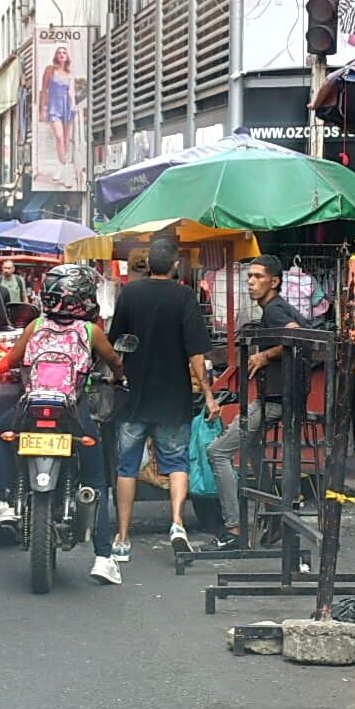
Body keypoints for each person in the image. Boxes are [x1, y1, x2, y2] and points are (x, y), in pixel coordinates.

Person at [0, 264, 125, 585]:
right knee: (96, 480)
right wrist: (120, 378)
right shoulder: (92, 333)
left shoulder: (35, 325)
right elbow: (115, 362)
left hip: (30, 411)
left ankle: (6, 500)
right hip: (73, 413)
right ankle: (104, 557)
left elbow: (10, 361)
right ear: (85, 298)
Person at [108, 238, 219, 559]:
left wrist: (117, 376)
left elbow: (117, 344)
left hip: (134, 397)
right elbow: (197, 354)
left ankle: (123, 538)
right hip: (173, 399)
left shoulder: (130, 293)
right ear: (174, 265)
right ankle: (177, 522)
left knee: (127, 467)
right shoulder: (184, 296)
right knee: (177, 463)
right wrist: (209, 396)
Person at [206, 256, 304, 549]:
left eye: (258, 277)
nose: (251, 282)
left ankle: (234, 528)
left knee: (218, 452)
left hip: (276, 400)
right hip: (281, 397)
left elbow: (297, 336)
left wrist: (265, 355)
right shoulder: (275, 308)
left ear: (274, 281)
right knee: (251, 451)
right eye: (249, 276)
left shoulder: (275, 309)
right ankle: (274, 516)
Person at [39, 45, 78, 186]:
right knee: (60, 138)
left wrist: (73, 105)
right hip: (54, 106)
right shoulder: (50, 70)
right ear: (56, 56)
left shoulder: (69, 73)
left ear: (67, 57)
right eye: (59, 53)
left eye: (64, 53)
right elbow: (44, 90)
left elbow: (71, 91)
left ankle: (60, 167)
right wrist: (43, 108)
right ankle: (65, 168)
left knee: (67, 139)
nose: (62, 55)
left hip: (67, 106)